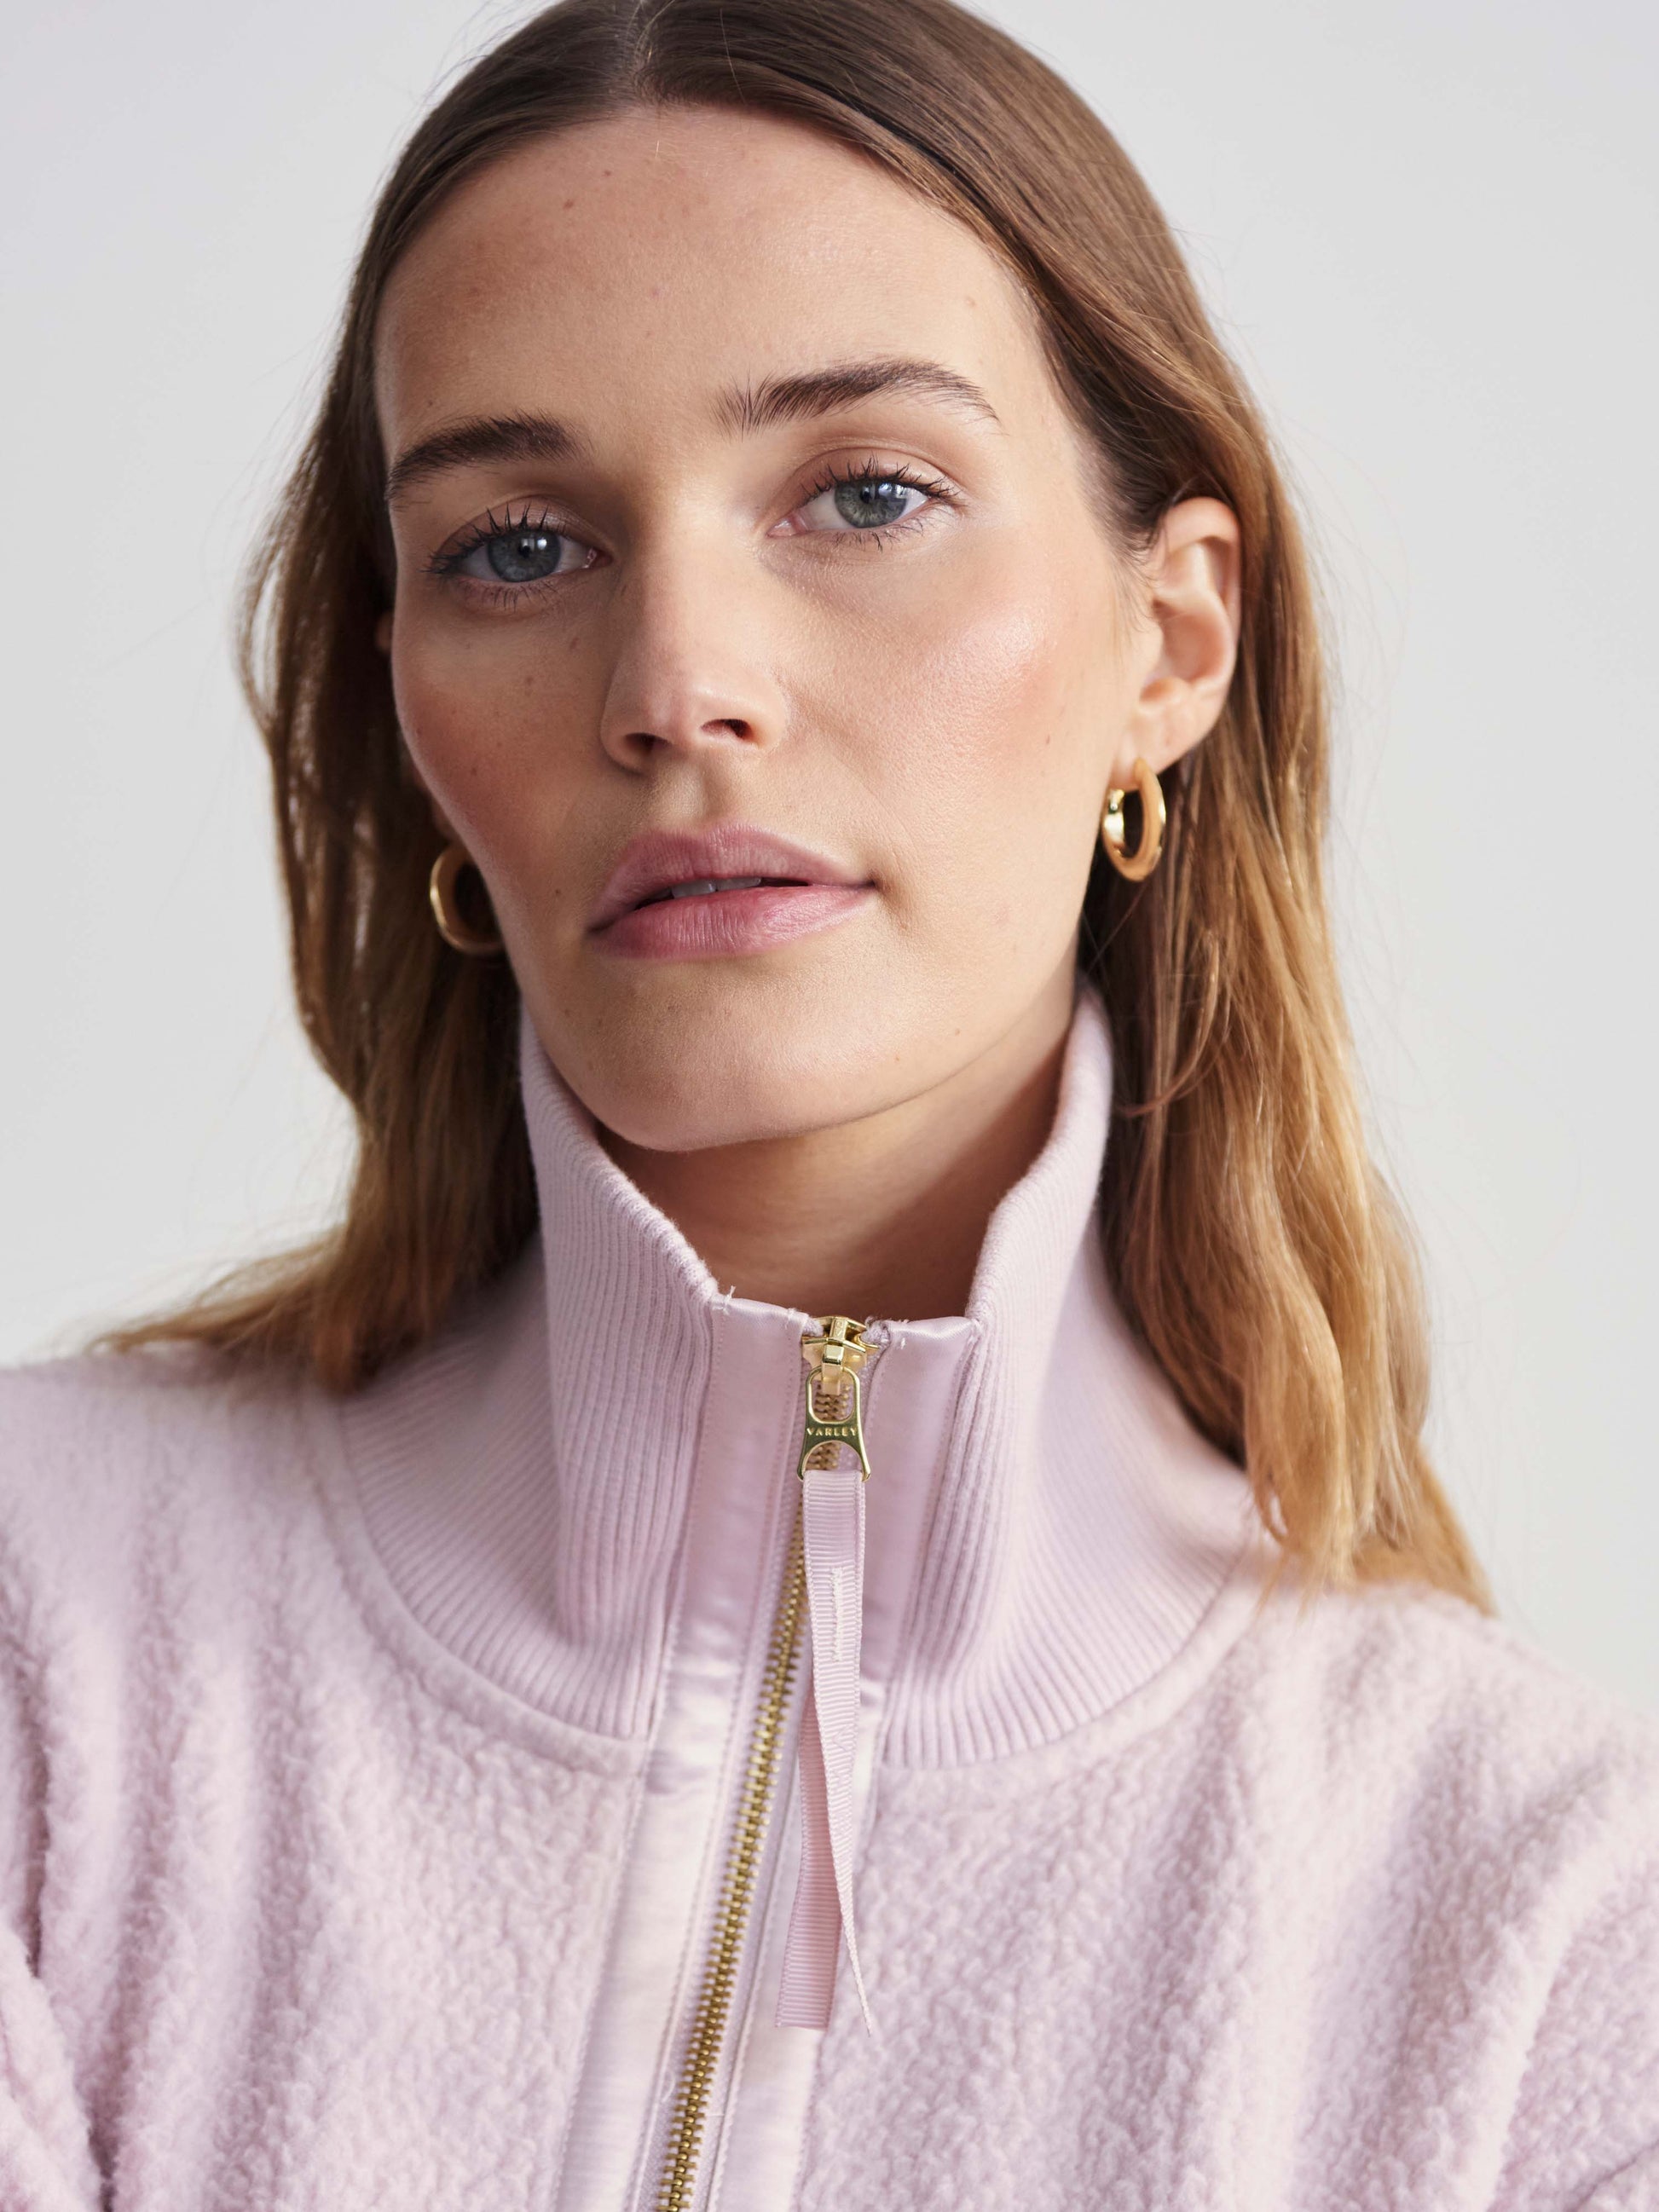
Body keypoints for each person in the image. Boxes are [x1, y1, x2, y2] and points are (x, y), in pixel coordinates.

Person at [3, 0, 1656, 2204]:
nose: (678, 684)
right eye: (516, 544)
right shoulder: (37, 1631)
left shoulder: (1550, 1944)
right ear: (400, 698)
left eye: (866, 495)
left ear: (1170, 642)